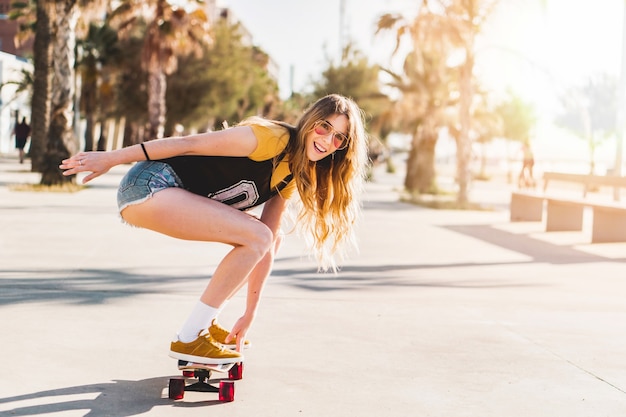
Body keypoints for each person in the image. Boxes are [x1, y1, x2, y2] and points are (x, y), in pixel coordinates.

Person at [59, 94, 368, 365]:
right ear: (310, 121)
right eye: (324, 127)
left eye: (338, 138)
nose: (327, 140)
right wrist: (111, 158)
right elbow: (187, 144)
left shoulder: (292, 174)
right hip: (149, 183)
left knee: (268, 240)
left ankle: (203, 325)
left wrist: (250, 313)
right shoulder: (270, 139)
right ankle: (190, 335)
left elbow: (267, 245)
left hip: (163, 197)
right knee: (259, 236)